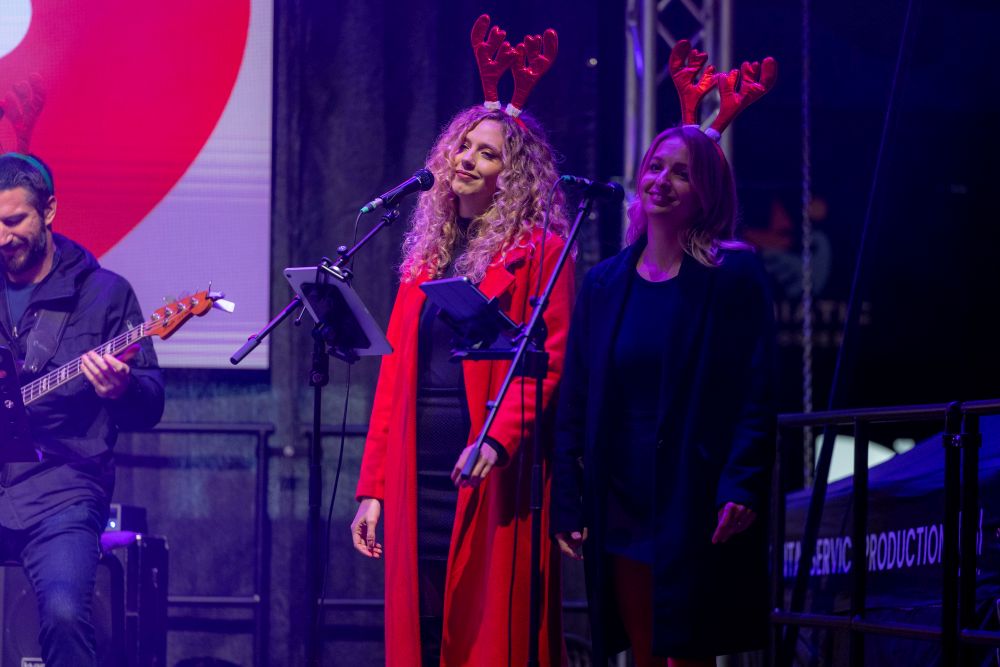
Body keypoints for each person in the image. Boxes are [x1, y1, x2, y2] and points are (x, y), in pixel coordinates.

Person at [350, 104, 574, 667]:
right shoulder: (427, 258)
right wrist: (374, 488)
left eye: (487, 153)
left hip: (487, 471)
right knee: (424, 634)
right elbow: (393, 380)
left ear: (513, 175)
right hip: (416, 471)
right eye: (464, 146)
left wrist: (496, 439)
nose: (467, 159)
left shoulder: (540, 252)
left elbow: (547, 363)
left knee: (484, 634)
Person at [551, 125, 777, 667]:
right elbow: (575, 398)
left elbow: (758, 387)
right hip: (621, 495)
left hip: (692, 491)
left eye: (682, 173)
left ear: (707, 193)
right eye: (655, 167)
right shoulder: (606, 282)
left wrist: (742, 482)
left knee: (687, 653)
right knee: (645, 651)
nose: (662, 181)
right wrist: (568, 499)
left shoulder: (732, 273)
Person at [0, 153, 164, 667]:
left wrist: (121, 390)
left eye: (14, 221)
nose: (2, 237)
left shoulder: (106, 295)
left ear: (49, 211)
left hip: (63, 490)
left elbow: (150, 404)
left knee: (67, 614)